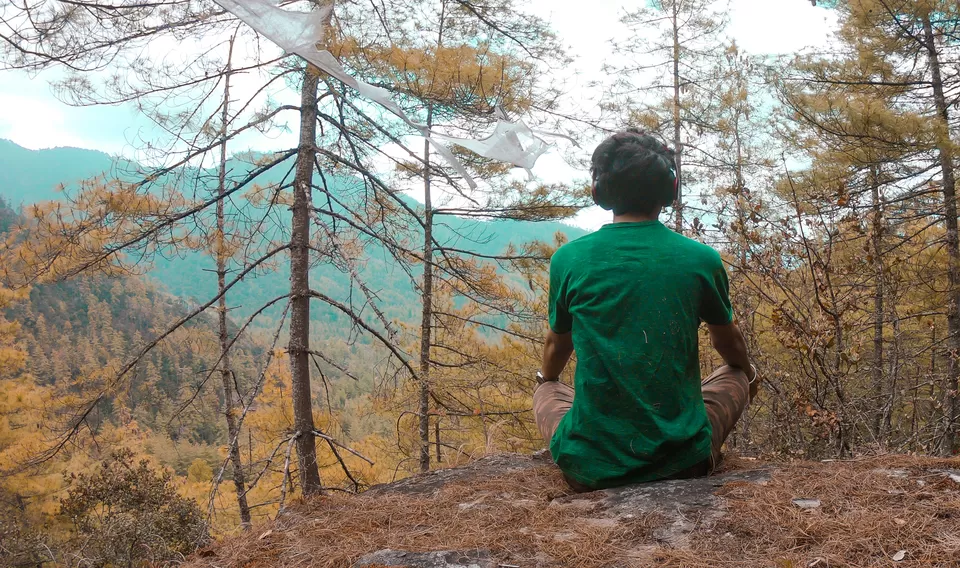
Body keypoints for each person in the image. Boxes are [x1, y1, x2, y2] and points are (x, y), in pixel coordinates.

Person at [533, 129, 758, 491]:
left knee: (548, 388)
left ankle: (581, 431)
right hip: (686, 463)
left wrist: (547, 379)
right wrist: (748, 374)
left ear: (598, 193)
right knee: (736, 374)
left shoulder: (568, 260)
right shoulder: (701, 259)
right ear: (671, 191)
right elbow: (729, 343)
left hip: (588, 470)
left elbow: (557, 347)